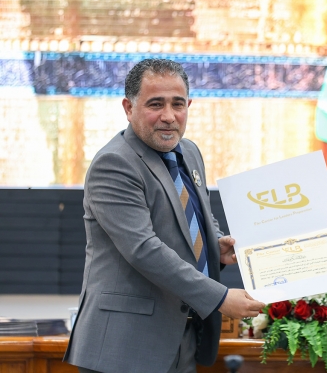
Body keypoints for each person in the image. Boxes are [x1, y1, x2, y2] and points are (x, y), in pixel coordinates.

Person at [64, 59, 265, 373]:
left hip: (181, 339)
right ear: (129, 108)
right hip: (124, 347)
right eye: (156, 104)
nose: (169, 116)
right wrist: (219, 298)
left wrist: (214, 246)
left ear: (189, 106)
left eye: (177, 104)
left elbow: (196, 217)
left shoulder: (189, 152)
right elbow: (143, 249)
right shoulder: (114, 164)